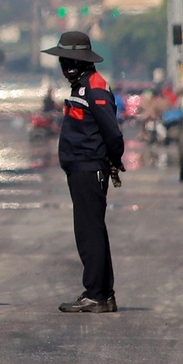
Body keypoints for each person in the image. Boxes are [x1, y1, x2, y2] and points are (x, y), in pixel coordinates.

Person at [44, 30, 124, 313]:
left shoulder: (95, 87)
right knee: (93, 232)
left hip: (90, 169)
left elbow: (112, 133)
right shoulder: (80, 86)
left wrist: (113, 160)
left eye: (68, 60)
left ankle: (95, 294)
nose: (64, 66)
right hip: (81, 168)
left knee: (89, 234)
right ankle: (104, 294)